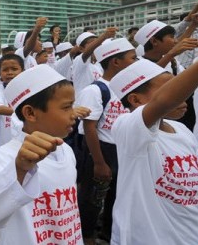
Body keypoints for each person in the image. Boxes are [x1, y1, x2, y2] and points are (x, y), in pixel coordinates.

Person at [0, 64, 88, 245]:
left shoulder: (65, 149)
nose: (74, 114)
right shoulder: (7, 156)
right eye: (66, 107)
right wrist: (19, 169)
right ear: (30, 113)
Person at [108, 59, 198, 244]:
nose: (182, 96)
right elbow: (163, 101)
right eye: (171, 88)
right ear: (135, 100)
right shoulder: (127, 128)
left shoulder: (182, 130)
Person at [75, 38, 136, 244]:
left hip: (121, 148)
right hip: (100, 149)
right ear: (115, 62)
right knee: (92, 196)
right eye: (132, 58)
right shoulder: (95, 90)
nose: (136, 62)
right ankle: (87, 235)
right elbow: (89, 127)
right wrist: (100, 162)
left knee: (117, 194)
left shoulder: (127, 88)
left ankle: (108, 232)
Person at [135, 19, 198, 131]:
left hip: (183, 114)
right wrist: (171, 54)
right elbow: (147, 78)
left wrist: (194, 23)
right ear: (154, 41)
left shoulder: (173, 62)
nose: (175, 41)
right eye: (171, 37)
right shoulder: (138, 64)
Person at [0, 53, 24, 149]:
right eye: (5, 70)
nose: (10, 72)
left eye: (14, 69)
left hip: (25, 141)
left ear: (23, 71)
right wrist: (24, 112)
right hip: (5, 142)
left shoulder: (29, 89)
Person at [72, 28, 117, 95]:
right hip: (83, 102)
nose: (97, 44)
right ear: (81, 49)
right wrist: (104, 36)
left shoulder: (98, 64)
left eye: (98, 42)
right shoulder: (78, 61)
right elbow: (87, 53)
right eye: (92, 43)